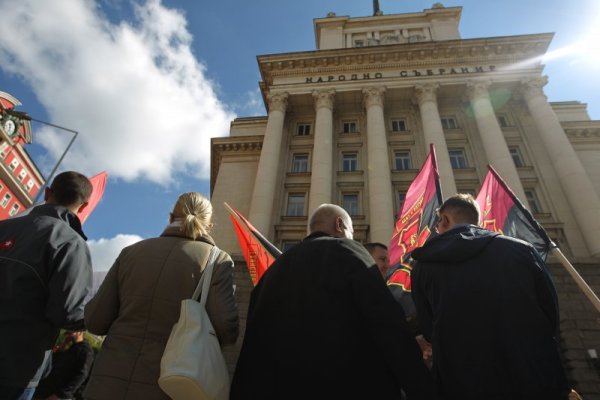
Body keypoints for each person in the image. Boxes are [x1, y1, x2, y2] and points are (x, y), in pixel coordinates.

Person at [230, 204, 434, 400]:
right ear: (340, 225)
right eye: (352, 231)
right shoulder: (349, 252)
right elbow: (387, 325)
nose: (353, 238)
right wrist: (422, 388)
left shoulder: (270, 272)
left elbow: (252, 344)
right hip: (347, 388)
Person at [411, 193, 571, 399]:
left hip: (463, 382)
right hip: (533, 375)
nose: (437, 230)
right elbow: (550, 312)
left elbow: (429, 328)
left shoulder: (422, 266)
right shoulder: (522, 250)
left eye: (438, 224)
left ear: (445, 220)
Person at [83, 192, 239, 400]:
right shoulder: (218, 261)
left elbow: (95, 321)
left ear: (170, 217)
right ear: (209, 226)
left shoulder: (131, 252)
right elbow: (227, 328)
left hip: (107, 384)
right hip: (171, 386)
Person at [0, 171, 93, 400]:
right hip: (16, 367)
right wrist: (100, 315)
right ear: (83, 207)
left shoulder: (4, 226)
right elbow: (67, 314)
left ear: (48, 192)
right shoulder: (71, 244)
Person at [33, 331, 95, 400]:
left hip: (58, 395)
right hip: (45, 391)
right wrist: (65, 343)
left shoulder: (86, 351)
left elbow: (80, 376)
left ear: (80, 332)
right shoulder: (72, 346)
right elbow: (55, 360)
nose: (68, 333)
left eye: (71, 331)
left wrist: (59, 395)